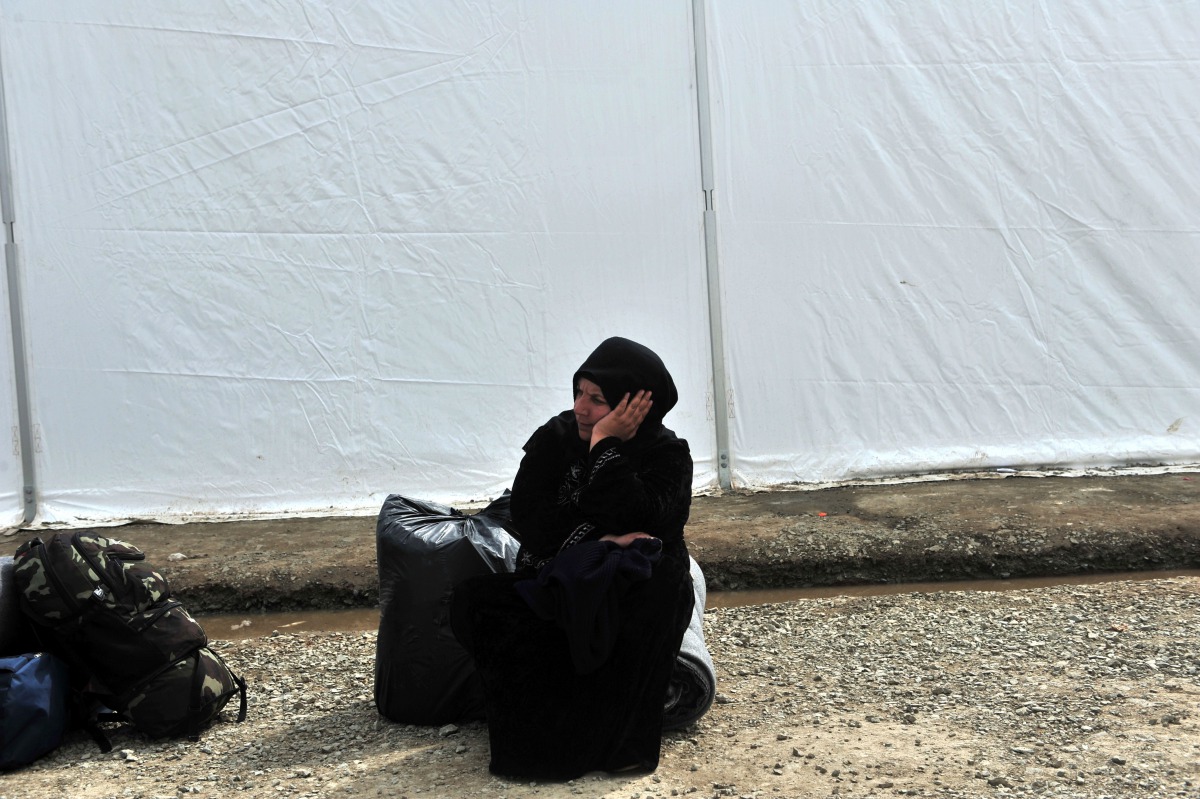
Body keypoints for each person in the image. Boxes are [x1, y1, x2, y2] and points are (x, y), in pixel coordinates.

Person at [451, 336, 695, 780]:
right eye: (578, 393)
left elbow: (646, 520)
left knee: (657, 586)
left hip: (635, 591)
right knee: (475, 601)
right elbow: (532, 521)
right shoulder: (555, 438)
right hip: (558, 581)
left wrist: (605, 446)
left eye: (597, 400)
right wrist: (604, 538)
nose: (581, 409)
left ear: (635, 404)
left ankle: (620, 741)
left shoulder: (667, 454)